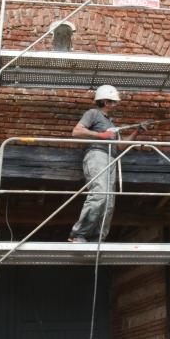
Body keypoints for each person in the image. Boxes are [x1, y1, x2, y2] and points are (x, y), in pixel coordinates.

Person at [68, 85, 143, 243]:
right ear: (104, 101)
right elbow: (77, 131)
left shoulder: (112, 122)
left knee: (109, 201)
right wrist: (100, 135)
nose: (114, 105)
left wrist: (136, 131)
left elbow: (121, 146)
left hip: (111, 158)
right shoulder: (93, 113)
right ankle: (78, 234)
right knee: (100, 194)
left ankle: (97, 238)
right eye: (112, 101)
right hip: (97, 156)